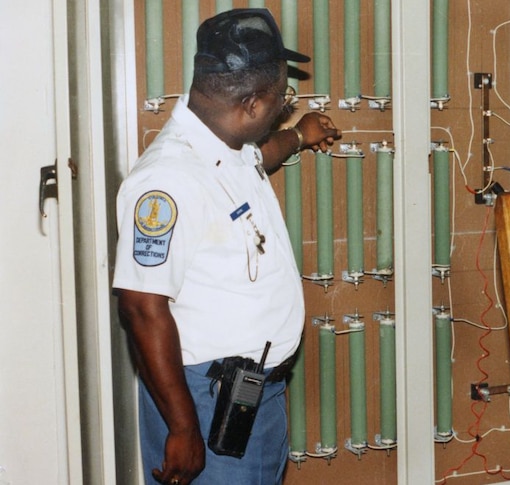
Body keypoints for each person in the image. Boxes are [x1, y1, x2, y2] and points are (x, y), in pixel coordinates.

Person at [113, 8, 341, 485]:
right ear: (253, 104)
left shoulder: (226, 143)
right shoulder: (167, 181)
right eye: (283, 100)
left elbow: (263, 155)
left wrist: (300, 135)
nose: (284, 107)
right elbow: (140, 307)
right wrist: (182, 427)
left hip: (252, 394)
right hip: (203, 401)